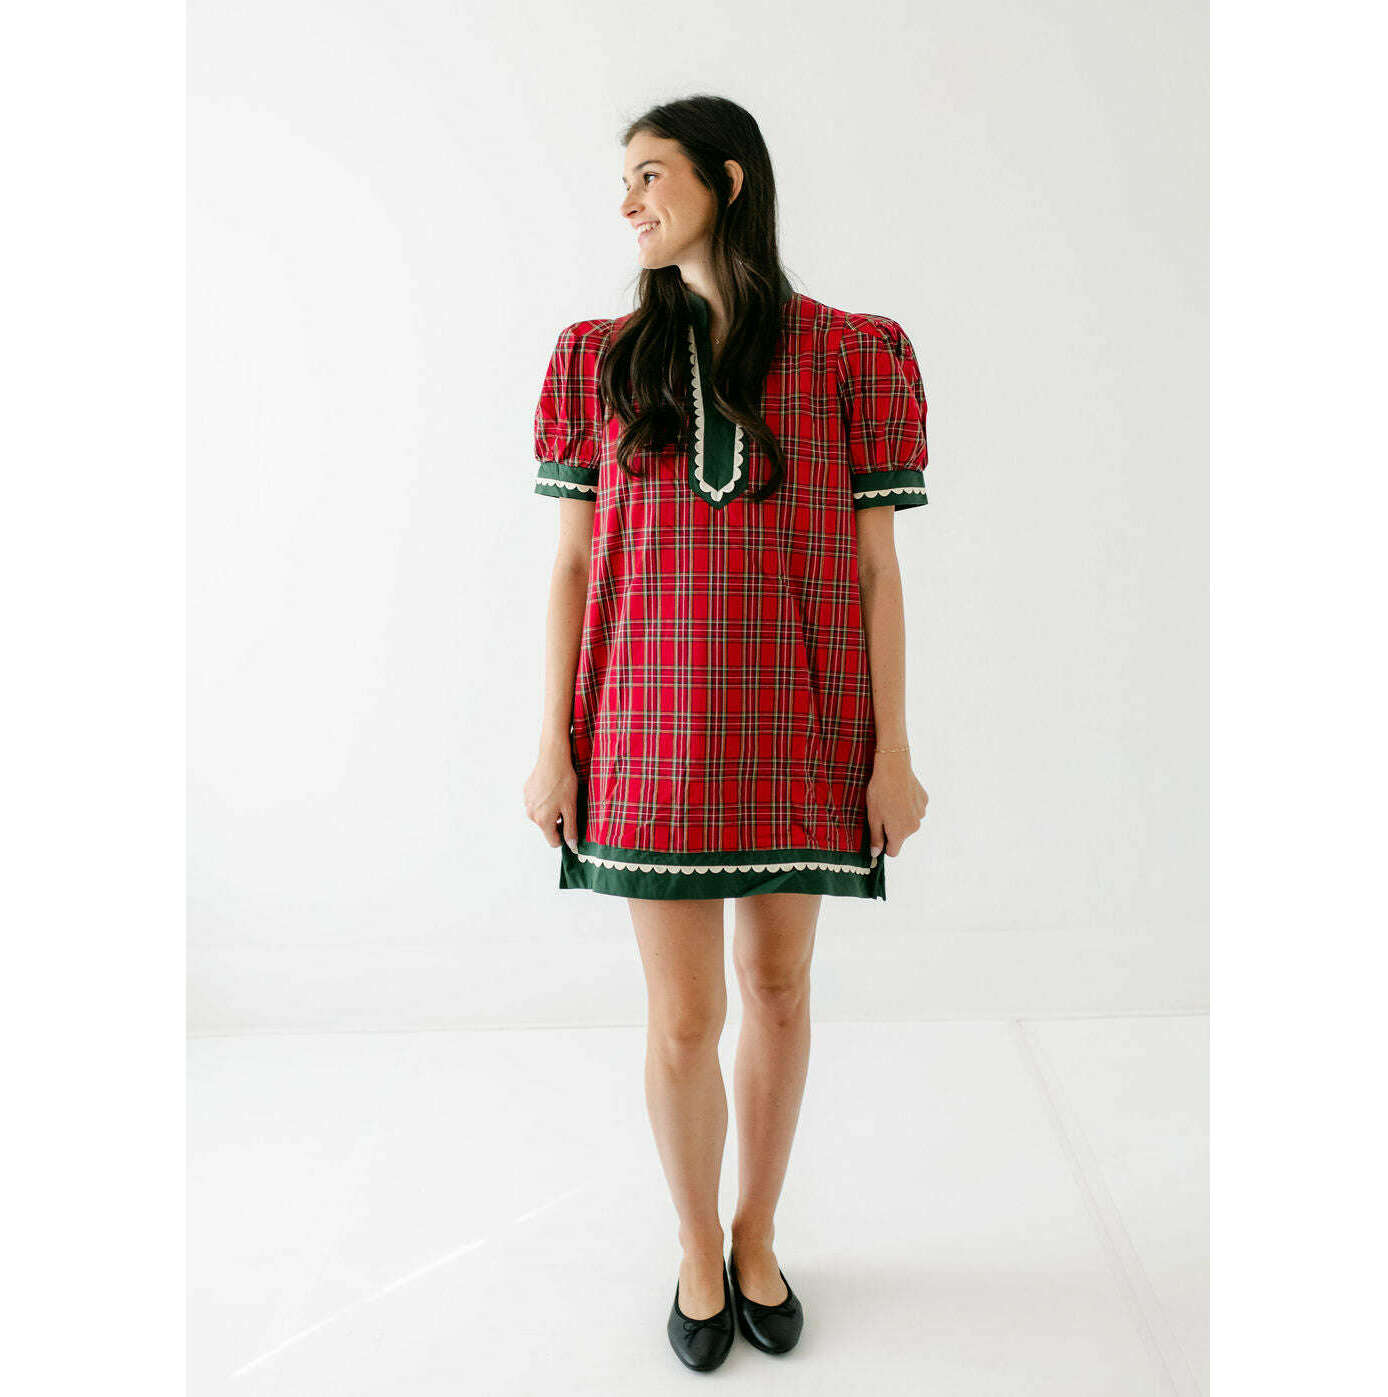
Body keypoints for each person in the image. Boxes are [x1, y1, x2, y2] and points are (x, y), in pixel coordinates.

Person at [522, 95, 929, 1371]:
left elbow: (874, 570)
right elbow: (572, 564)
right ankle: (696, 1244)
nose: (628, 201)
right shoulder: (596, 358)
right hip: (645, 734)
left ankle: (758, 1232)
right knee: (684, 1013)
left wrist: (893, 752)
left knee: (779, 990)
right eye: (624, 181)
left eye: (650, 175)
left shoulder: (852, 352)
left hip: (801, 725)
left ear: (729, 181)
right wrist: (552, 741)